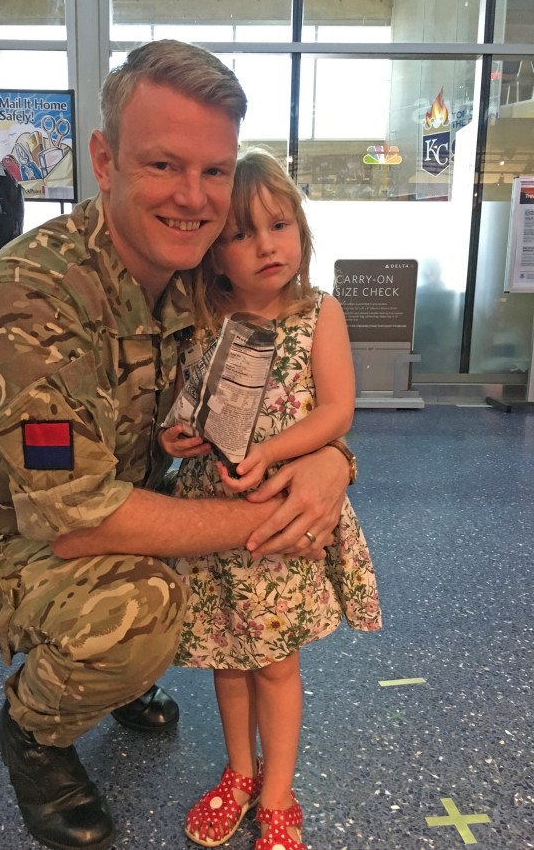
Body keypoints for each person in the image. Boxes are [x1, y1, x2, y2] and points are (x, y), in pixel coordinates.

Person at [0, 41, 354, 850]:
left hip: (137, 506)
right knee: (142, 607)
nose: (194, 199)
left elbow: (301, 393)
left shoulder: (198, 275)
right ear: (105, 159)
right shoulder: (33, 299)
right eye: (163, 165)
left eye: (215, 172)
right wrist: (284, 520)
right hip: (8, 538)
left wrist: (333, 461)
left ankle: (120, 674)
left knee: (170, 577)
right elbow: (79, 522)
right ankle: (36, 734)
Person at [160, 148, 382, 850]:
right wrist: (176, 437)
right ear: (213, 254)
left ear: (302, 233)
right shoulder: (202, 319)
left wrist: (274, 452)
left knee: (278, 662)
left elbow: (338, 409)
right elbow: (181, 408)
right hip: (213, 518)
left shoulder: (320, 313)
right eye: (242, 233)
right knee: (229, 656)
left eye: (279, 226)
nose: (266, 246)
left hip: (284, 516)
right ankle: (239, 771)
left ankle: (279, 790)